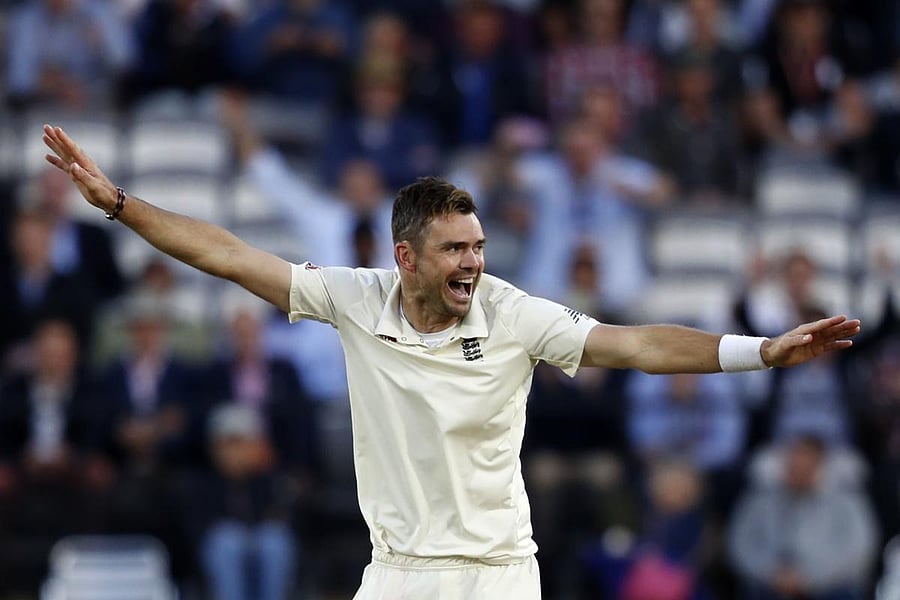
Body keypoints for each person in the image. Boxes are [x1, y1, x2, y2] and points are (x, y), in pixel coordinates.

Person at [41, 123, 861, 600]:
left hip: (496, 573)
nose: (473, 262)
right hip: (398, 572)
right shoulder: (354, 297)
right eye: (455, 249)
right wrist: (120, 205)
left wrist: (762, 351)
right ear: (405, 256)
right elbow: (226, 254)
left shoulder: (512, 313)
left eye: (478, 246)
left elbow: (637, 344)